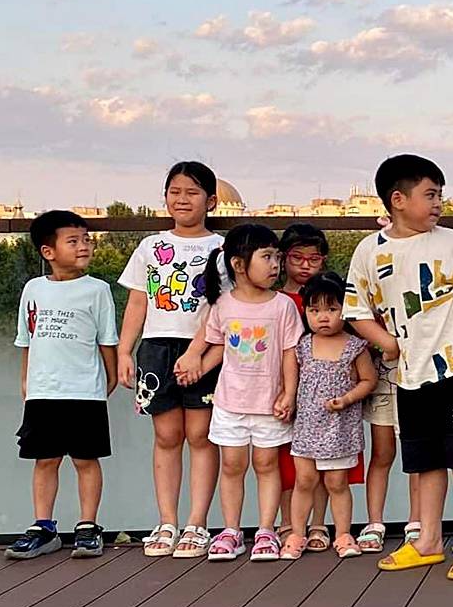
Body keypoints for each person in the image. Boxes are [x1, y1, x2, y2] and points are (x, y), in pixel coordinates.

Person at [344, 154, 453, 581]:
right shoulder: (369, 251)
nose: (438, 203)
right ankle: (429, 540)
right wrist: (387, 343)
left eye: (440, 195)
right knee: (425, 459)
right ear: (398, 200)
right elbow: (356, 309)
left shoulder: (450, 241)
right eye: (430, 194)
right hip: (409, 374)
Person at [115, 161, 224, 560]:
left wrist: (197, 353)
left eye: (192, 192)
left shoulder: (221, 249)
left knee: (200, 435)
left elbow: (223, 308)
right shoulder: (150, 246)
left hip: (203, 348)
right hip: (156, 347)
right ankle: (166, 521)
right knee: (166, 436)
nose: (182, 199)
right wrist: (125, 351)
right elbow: (137, 302)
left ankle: (197, 522)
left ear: (211, 201)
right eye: (175, 192)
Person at [177, 223, 302, 561]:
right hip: (230, 402)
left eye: (277, 258)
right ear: (238, 264)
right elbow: (217, 345)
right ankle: (231, 530)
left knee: (266, 464)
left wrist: (289, 394)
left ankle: (266, 530)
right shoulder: (223, 305)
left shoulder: (282, 306)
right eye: (267, 257)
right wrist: (195, 367)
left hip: (269, 403)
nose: (275, 265)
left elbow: (290, 353)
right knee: (232, 465)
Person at [6, 210, 119, 559]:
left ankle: (88, 525)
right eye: (73, 241)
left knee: (86, 459)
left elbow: (107, 339)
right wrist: (26, 380)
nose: (84, 246)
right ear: (48, 251)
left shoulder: (97, 290)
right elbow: (27, 339)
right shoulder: (33, 289)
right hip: (43, 391)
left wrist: (110, 376)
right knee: (46, 459)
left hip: (84, 391)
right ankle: (43, 526)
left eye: (86, 239)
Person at [282, 271, 378, 559]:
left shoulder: (355, 346)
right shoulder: (302, 345)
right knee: (304, 480)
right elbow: (290, 380)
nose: (323, 317)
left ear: (344, 310)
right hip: (307, 426)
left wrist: (347, 399)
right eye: (314, 310)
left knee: (337, 482)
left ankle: (343, 534)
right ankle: (297, 533)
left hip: (339, 427)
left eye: (331, 309)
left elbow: (368, 380)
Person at [277, 223, 331, 549]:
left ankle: (319, 524)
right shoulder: (275, 299)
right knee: (287, 462)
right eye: (297, 257)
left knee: (324, 461)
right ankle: (288, 523)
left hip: (323, 395)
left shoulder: (331, 301)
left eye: (314, 259)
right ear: (283, 258)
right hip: (284, 391)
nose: (305, 265)